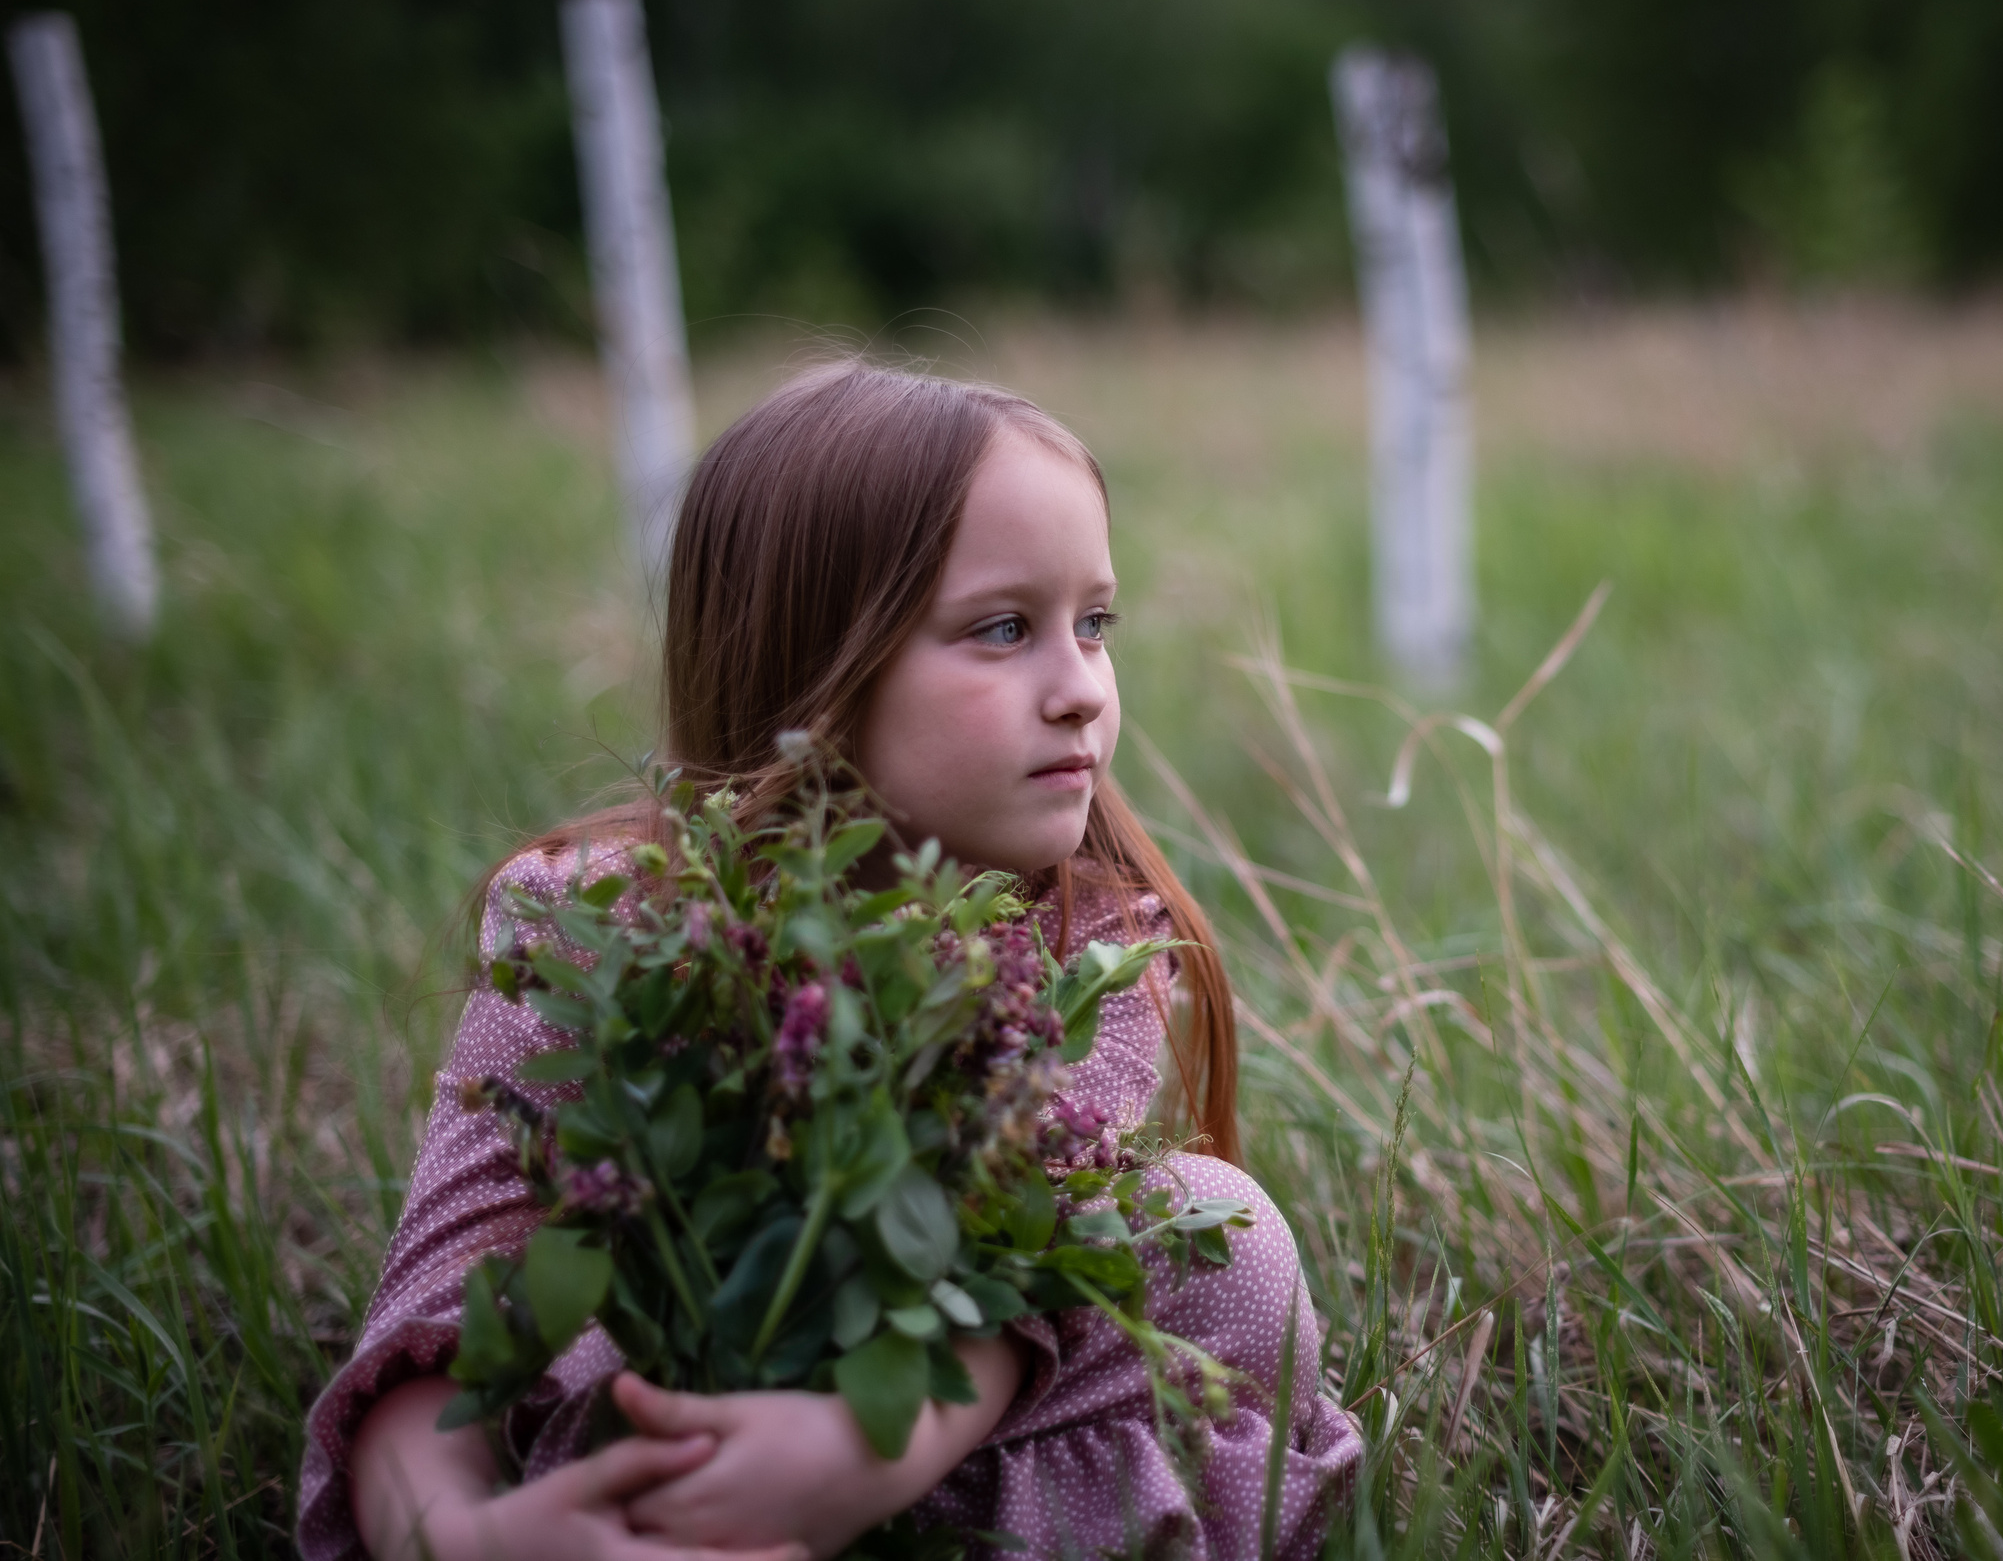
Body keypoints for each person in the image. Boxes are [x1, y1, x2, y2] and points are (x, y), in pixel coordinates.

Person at [299, 360, 1362, 1561]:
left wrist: (866, 1448)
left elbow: (1036, 1259)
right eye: (1003, 628)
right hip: (655, 1463)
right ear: (813, 666)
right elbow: (445, 1299)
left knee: (1209, 1230)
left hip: (947, 1446)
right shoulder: (592, 926)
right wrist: (466, 1535)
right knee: (580, 1307)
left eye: (1095, 624)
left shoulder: (1082, 952)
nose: (1081, 690)